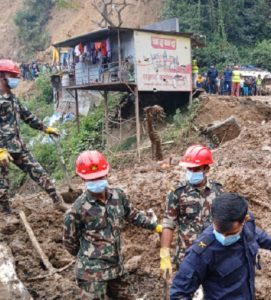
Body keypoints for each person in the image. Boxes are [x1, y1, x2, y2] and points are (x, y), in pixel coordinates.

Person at [63, 150, 162, 299]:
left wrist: (155, 226)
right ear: (82, 179)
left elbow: (133, 215)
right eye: (92, 179)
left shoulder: (118, 196)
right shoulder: (77, 209)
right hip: (91, 275)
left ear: (107, 173)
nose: (96, 181)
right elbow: (70, 243)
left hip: (116, 267)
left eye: (99, 177)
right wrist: (91, 255)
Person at [170, 193, 271, 300]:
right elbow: (179, 293)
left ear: (245, 220)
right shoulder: (201, 252)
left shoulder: (247, 225)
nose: (224, 237)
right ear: (214, 219)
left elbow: (257, 235)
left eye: (231, 233)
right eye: (219, 232)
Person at [0, 59, 68, 214]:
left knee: (39, 172)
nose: (15, 79)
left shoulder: (12, 98)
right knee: (2, 184)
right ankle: (6, 214)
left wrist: (46, 128)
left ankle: (57, 201)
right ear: (1, 76)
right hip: (2, 151)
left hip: (18, 146)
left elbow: (28, 116)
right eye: (12, 76)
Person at [160, 145, 224, 278]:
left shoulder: (218, 190)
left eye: (197, 169)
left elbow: (224, 221)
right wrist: (165, 252)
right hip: (187, 257)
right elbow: (168, 223)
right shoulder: (177, 192)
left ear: (207, 169)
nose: (192, 172)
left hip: (212, 254)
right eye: (189, 169)